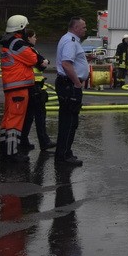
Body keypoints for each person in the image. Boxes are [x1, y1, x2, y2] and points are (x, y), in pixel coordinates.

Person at [0, 15, 46, 161]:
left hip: (11, 87)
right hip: (18, 87)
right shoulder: (18, 43)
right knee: (15, 120)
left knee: (8, 119)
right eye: (25, 27)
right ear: (21, 28)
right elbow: (33, 58)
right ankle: (12, 154)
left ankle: (4, 151)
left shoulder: (9, 42)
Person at [55, 16, 88, 167]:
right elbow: (67, 64)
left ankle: (65, 152)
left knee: (69, 121)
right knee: (69, 122)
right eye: (83, 27)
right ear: (75, 28)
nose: (85, 29)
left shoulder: (69, 39)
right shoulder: (71, 41)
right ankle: (63, 156)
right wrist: (77, 83)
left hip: (68, 84)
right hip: (70, 86)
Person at [19, 28, 54, 152]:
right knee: (40, 116)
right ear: (28, 37)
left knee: (29, 116)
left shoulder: (25, 49)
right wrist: (44, 62)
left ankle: (23, 141)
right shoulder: (30, 50)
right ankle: (44, 141)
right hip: (35, 88)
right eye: (34, 36)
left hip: (29, 87)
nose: (36, 38)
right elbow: (42, 63)